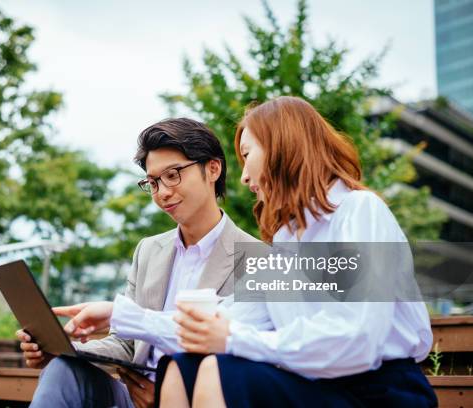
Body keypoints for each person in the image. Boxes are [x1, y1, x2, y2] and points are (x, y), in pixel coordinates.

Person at [157, 97, 438, 407]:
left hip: (382, 393)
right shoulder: (286, 242)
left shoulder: (359, 211)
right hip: (319, 386)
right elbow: (227, 318)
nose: (244, 177)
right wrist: (121, 317)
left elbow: (359, 339)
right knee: (182, 366)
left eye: (248, 156)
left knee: (218, 370)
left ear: (282, 150)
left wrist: (235, 339)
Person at [16, 117, 258, 408]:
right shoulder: (149, 251)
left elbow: (244, 358)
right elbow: (126, 342)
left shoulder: (259, 259)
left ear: (213, 169)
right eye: (153, 182)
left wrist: (171, 396)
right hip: (133, 398)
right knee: (62, 369)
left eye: (173, 175)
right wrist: (64, 350)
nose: (163, 192)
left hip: (200, 396)